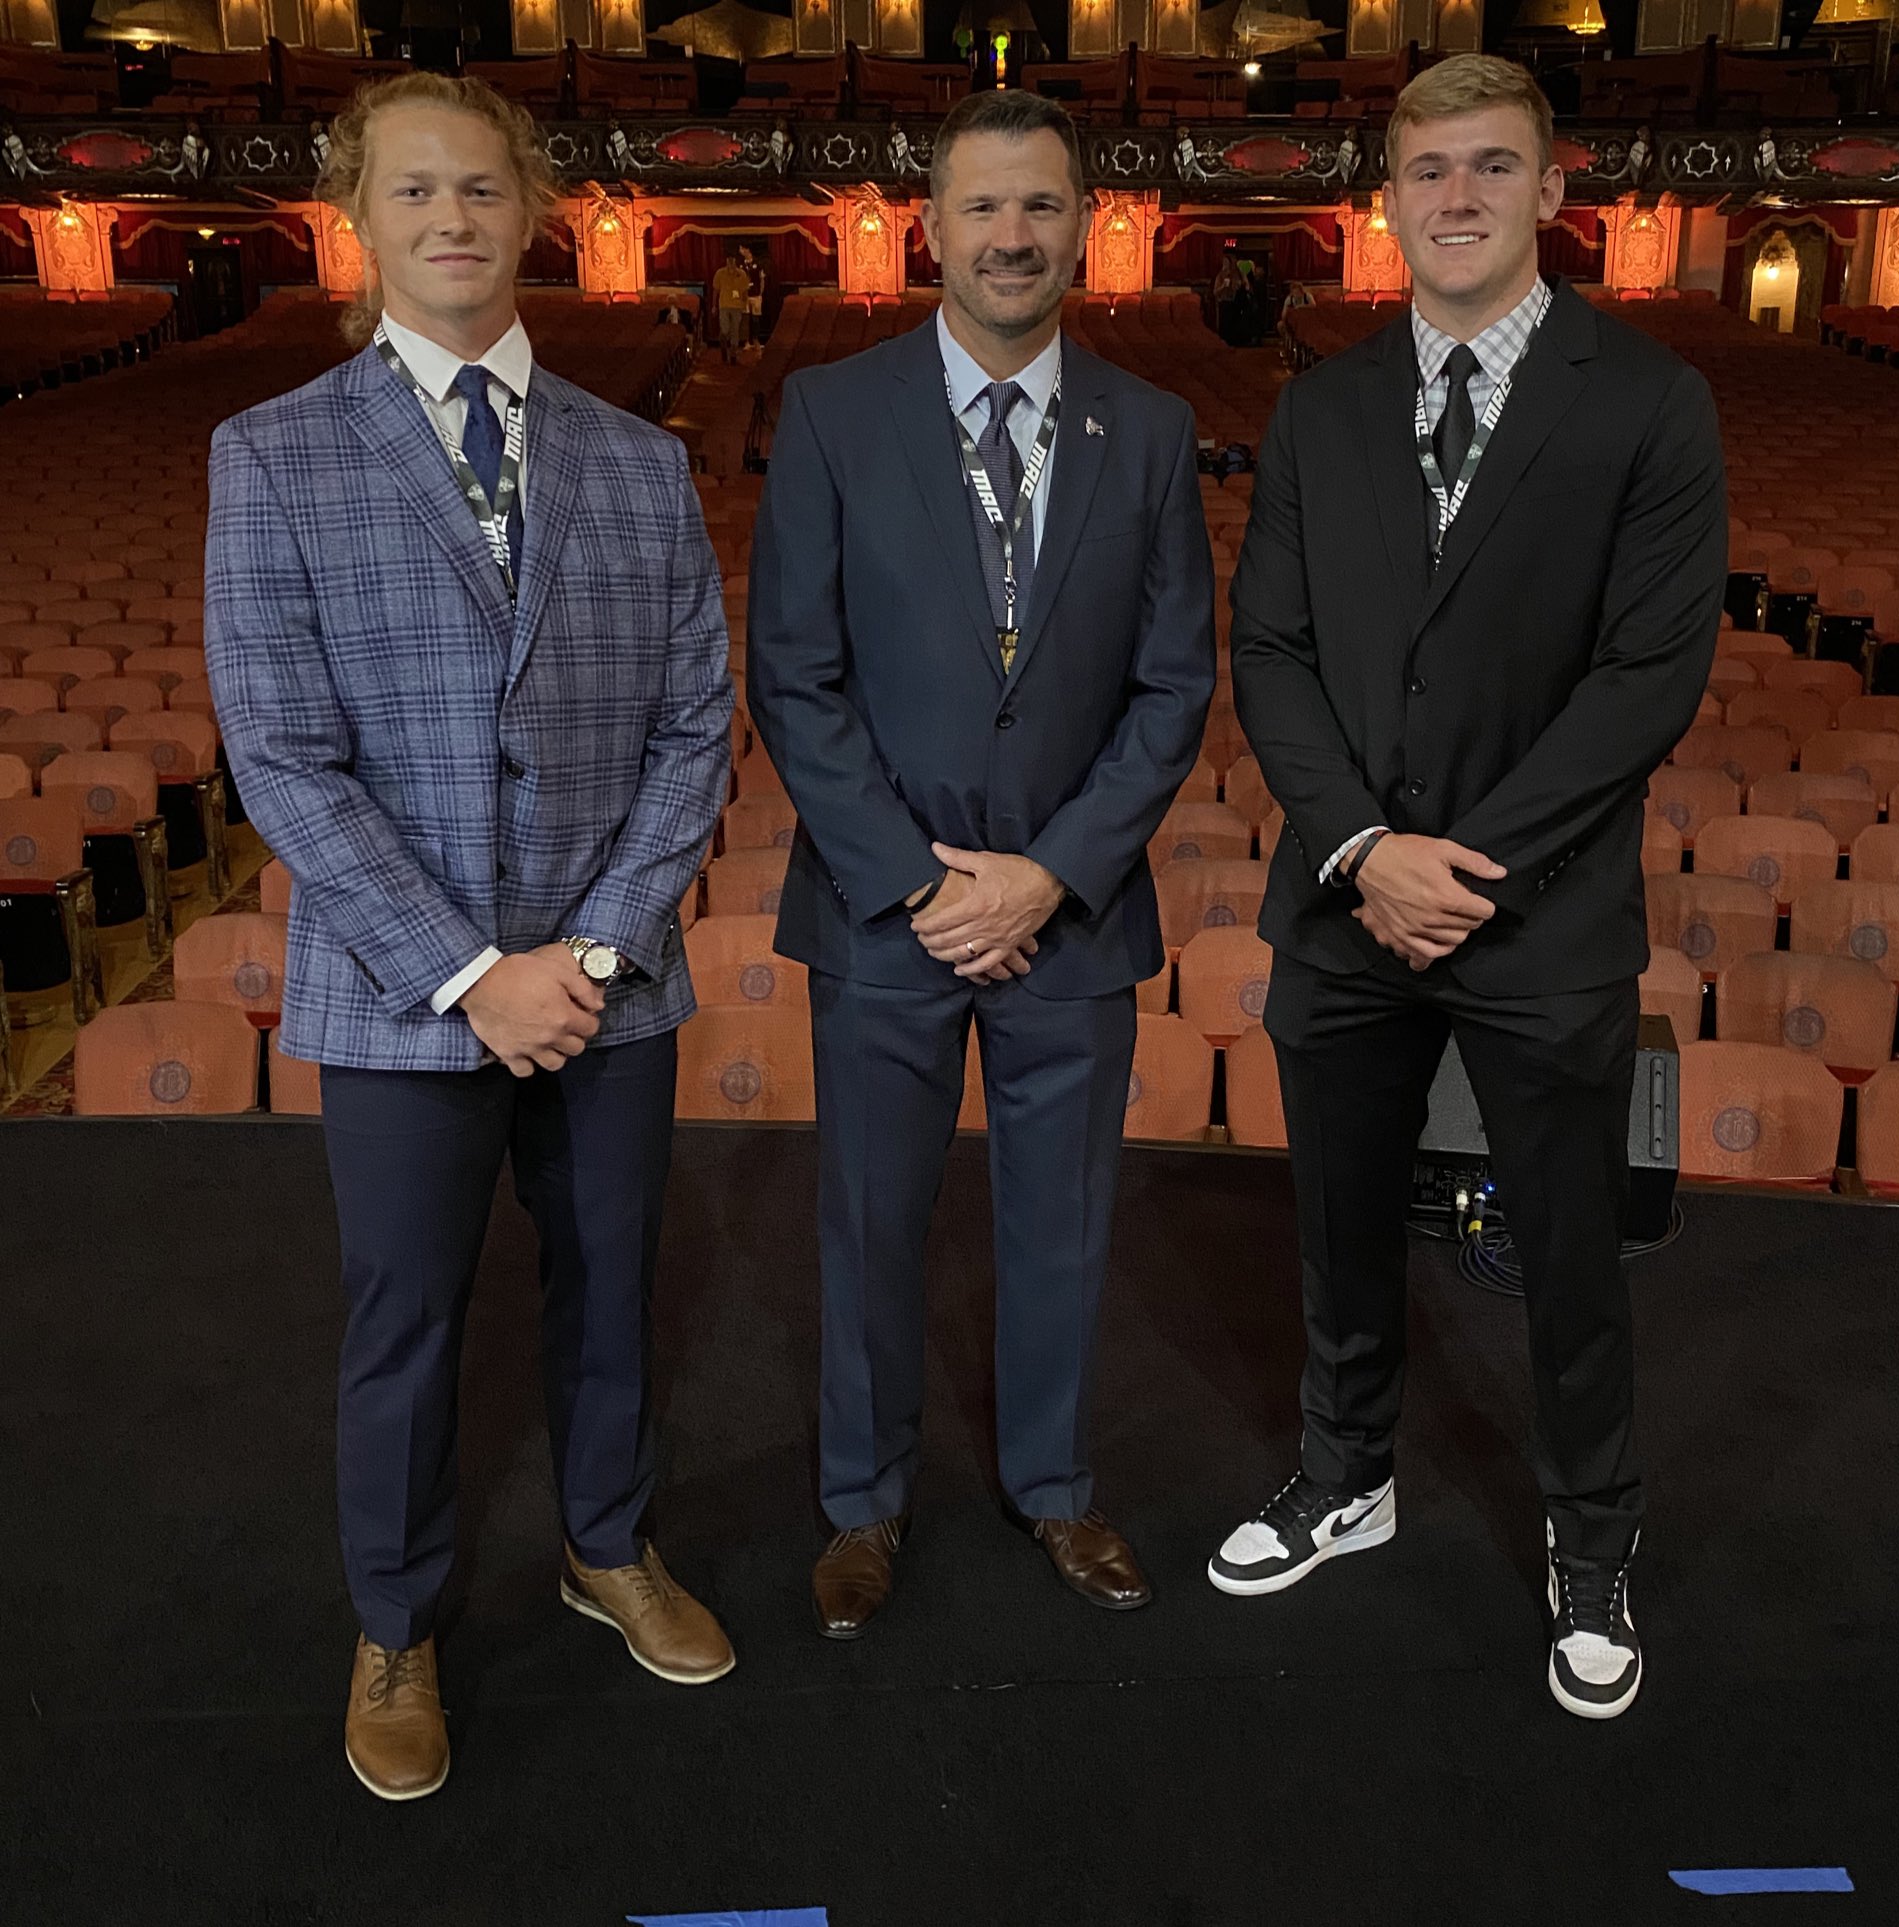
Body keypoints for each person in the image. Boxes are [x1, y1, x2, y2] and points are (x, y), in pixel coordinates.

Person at [204, 74, 737, 1801]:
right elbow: (282, 754)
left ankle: (605, 1542)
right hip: (398, 992)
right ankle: (394, 1619)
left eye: (484, 190)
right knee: (406, 1323)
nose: (453, 219)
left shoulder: (638, 458)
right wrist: (466, 969)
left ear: (532, 211)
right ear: (361, 217)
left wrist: (580, 956)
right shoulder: (271, 453)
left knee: (607, 1299)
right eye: (417, 191)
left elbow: (692, 732)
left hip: (605, 988)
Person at [1212, 55, 1724, 1721]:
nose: (1453, 198)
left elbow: (1648, 675)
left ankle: (1590, 1535)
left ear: (1549, 190)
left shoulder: (1644, 398)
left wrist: (1463, 867)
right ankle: (1343, 1471)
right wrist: (1363, 850)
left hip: (1540, 910)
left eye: (1488, 168)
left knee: (1566, 1249)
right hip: (1344, 903)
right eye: (1425, 170)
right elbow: (1270, 650)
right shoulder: (1321, 403)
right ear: (1387, 194)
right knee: (1339, 1222)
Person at [746, 89, 1215, 1639]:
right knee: (871, 1218)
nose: (1014, 236)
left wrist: (1049, 874)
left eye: (1043, 207)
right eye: (985, 209)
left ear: (1085, 224)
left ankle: (1056, 1484)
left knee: (1064, 1216)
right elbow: (795, 676)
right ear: (929, 229)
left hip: (1071, 919)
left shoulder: (1146, 430)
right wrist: (928, 881)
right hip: (886, 909)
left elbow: (1173, 687)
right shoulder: (829, 410)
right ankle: (863, 1504)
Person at [711, 249, 750, 363]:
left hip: (737, 306)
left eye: (732, 260)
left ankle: (733, 355)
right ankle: (723, 345)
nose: (731, 262)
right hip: (724, 305)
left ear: (735, 261)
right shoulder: (720, 273)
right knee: (725, 329)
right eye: (729, 260)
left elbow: (744, 291)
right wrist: (714, 306)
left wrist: (744, 304)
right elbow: (716, 290)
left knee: (735, 331)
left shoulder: (741, 274)